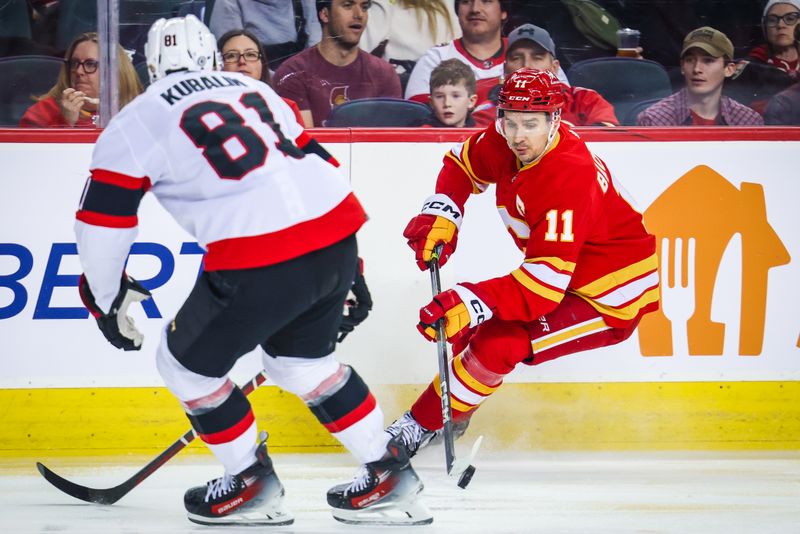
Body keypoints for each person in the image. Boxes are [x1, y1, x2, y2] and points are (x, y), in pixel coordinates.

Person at [74, 15, 428, 527]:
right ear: (211, 59)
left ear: (150, 66)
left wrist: (103, 298)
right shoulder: (255, 89)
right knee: (301, 365)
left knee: (186, 367)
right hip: (335, 238)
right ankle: (388, 472)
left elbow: (102, 221)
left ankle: (248, 482)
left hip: (259, 257)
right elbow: (319, 165)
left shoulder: (136, 118)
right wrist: (354, 268)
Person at [343, 68, 659, 484]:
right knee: (470, 332)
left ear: (555, 121)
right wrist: (443, 212)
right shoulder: (507, 139)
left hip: (609, 290)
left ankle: (419, 426)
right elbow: (461, 166)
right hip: (562, 270)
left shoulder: (568, 175)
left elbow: (543, 288)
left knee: (498, 340)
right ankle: (450, 415)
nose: (517, 135)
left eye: (530, 124)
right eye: (509, 120)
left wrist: (471, 300)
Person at [273, 0, 402, 127]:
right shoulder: (292, 72)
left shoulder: (384, 73)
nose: (359, 14)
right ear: (325, 14)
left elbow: (390, 140)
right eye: (347, 5)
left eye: (364, 7)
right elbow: (306, 143)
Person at [472, 23, 619, 128]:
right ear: (505, 69)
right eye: (516, 58)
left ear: (555, 68)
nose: (527, 65)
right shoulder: (488, 108)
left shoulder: (584, 100)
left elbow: (608, 142)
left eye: (537, 57)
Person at [637, 27, 764, 126]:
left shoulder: (747, 121)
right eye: (690, 60)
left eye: (708, 61)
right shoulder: (654, 120)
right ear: (682, 66)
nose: (697, 69)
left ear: (729, 69)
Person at [18, 32, 141, 127]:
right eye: (74, 63)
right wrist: (64, 122)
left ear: (115, 71)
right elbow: (33, 157)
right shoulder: (43, 111)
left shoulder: (137, 111)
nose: (78, 71)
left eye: (90, 64)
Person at [404, 0, 508, 104]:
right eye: (466, 2)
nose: (475, 9)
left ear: (503, 12)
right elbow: (417, 111)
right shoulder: (436, 58)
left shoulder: (521, 50)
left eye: (486, 1)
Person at [217, 29, 305, 125]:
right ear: (218, 65)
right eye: (231, 56)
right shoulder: (204, 108)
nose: (242, 61)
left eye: (250, 54)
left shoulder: (286, 107)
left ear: (262, 63)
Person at [209, 0, 321, 70]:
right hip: (257, 82)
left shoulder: (305, 2)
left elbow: (316, 47)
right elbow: (233, 62)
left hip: (300, 79)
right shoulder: (228, 3)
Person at [360, 0, 460, 75]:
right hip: (452, 88)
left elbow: (352, 49)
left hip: (403, 92)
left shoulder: (388, 9)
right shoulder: (453, 6)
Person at [747, 0, 800, 81]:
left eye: (790, 19)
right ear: (765, 27)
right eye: (772, 20)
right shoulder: (752, 67)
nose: (780, 25)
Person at [422, 58, 478, 127]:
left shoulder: (482, 134)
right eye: (439, 97)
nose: (447, 104)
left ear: (471, 101)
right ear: (431, 102)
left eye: (455, 96)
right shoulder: (421, 134)